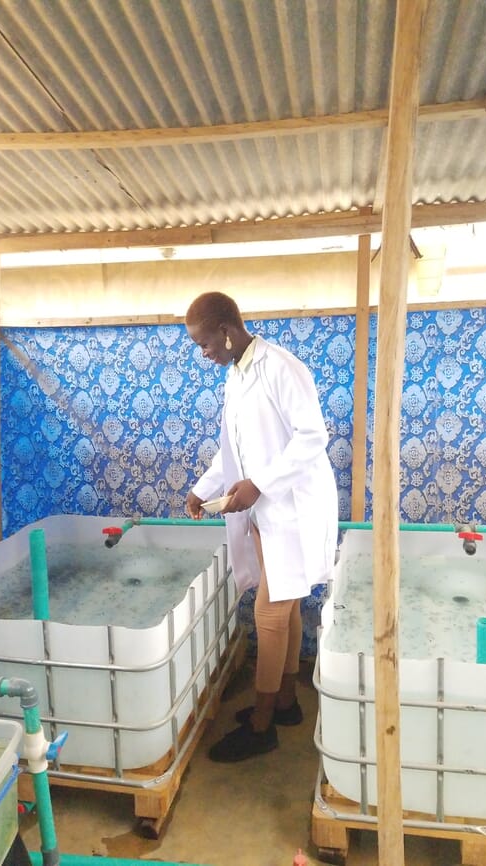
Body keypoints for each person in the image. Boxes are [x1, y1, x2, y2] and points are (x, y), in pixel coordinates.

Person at [185, 291, 338, 762]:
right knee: (285, 611)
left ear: (227, 332)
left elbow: (314, 435)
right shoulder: (237, 375)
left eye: (205, 342)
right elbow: (233, 450)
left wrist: (262, 484)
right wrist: (203, 487)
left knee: (269, 615)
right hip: (266, 510)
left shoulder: (279, 367)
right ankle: (287, 703)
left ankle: (262, 722)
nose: (202, 351)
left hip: (293, 508)